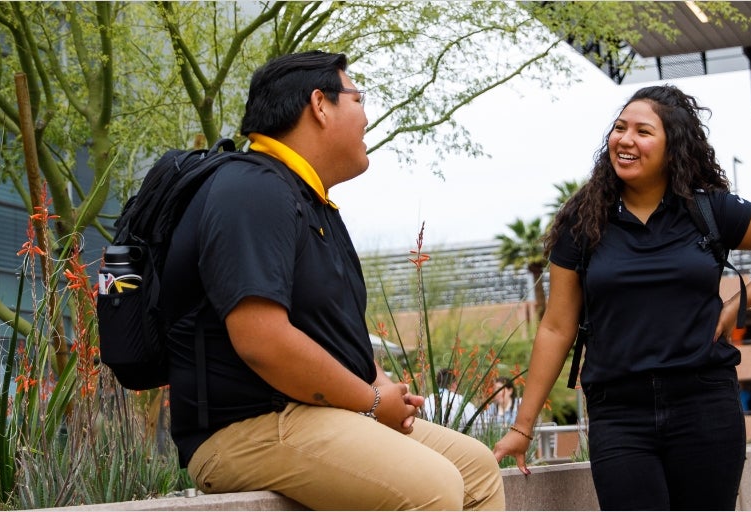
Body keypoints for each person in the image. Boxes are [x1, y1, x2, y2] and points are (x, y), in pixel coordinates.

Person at [161, 50, 504, 510]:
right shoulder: (250, 190)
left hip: (317, 413)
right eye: (359, 98)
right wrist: (370, 400)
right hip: (247, 428)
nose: (366, 116)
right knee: (433, 485)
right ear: (320, 105)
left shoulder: (310, 201)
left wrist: (383, 388)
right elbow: (261, 339)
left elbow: (338, 332)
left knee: (476, 468)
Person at [491, 84, 751, 510]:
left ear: (673, 148)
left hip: (703, 405)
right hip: (619, 413)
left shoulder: (711, 210)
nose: (625, 140)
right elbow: (557, 327)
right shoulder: (583, 219)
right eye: (619, 128)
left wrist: (739, 302)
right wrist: (523, 427)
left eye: (643, 131)